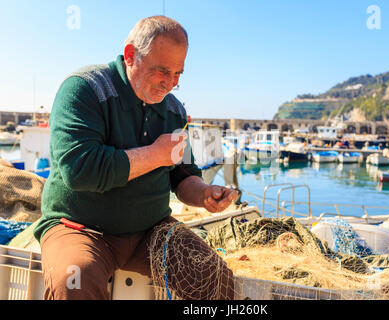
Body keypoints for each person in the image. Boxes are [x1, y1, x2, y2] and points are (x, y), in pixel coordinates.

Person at [33, 16, 238, 300]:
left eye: (179, 73)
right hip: (80, 228)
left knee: (215, 279)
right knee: (73, 280)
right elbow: (79, 170)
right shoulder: (84, 89)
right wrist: (155, 154)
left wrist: (204, 194)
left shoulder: (175, 111)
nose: (170, 84)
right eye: (162, 71)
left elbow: (182, 175)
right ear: (130, 56)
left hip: (150, 231)